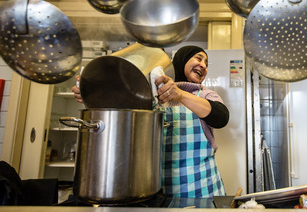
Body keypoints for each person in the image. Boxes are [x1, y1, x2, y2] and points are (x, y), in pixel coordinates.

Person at [72, 45, 229, 198]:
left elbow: (221, 117)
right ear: (182, 60)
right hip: (152, 189)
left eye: (206, 64)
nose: (203, 66)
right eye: (199, 59)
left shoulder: (206, 95)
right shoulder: (151, 92)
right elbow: (117, 106)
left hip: (200, 188)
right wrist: (90, 90)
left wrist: (180, 94)